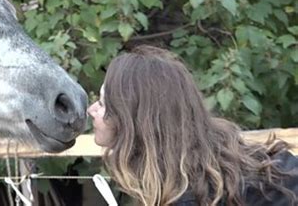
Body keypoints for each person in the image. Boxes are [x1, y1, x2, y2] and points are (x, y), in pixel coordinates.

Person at [87, 45, 298, 205]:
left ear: (132, 118)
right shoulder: (194, 180)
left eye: (104, 103)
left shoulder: (194, 194)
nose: (91, 109)